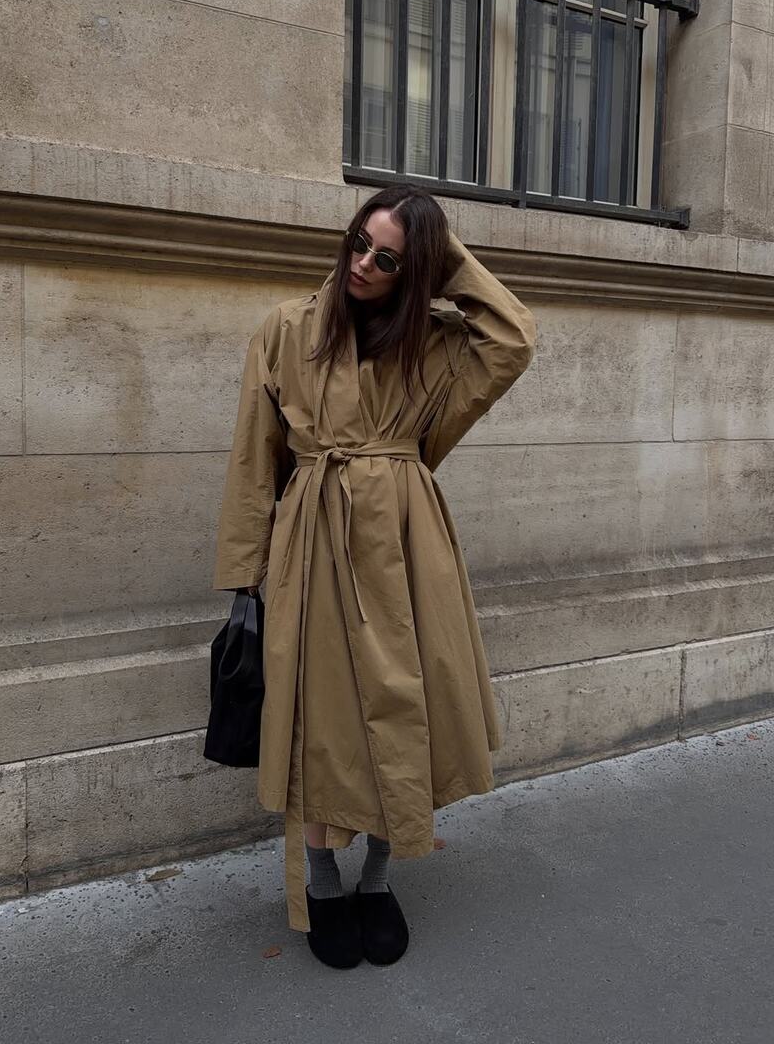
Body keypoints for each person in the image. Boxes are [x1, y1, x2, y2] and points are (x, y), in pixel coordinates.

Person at [213, 184, 536, 968]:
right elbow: (256, 459)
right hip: (314, 541)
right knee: (320, 722)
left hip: (406, 544)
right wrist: (246, 576)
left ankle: (380, 879)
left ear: (415, 271)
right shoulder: (286, 328)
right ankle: (323, 882)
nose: (362, 264)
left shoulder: (436, 343)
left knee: (404, 708)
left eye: (388, 259)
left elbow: (513, 337)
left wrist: (441, 252)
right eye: (359, 242)